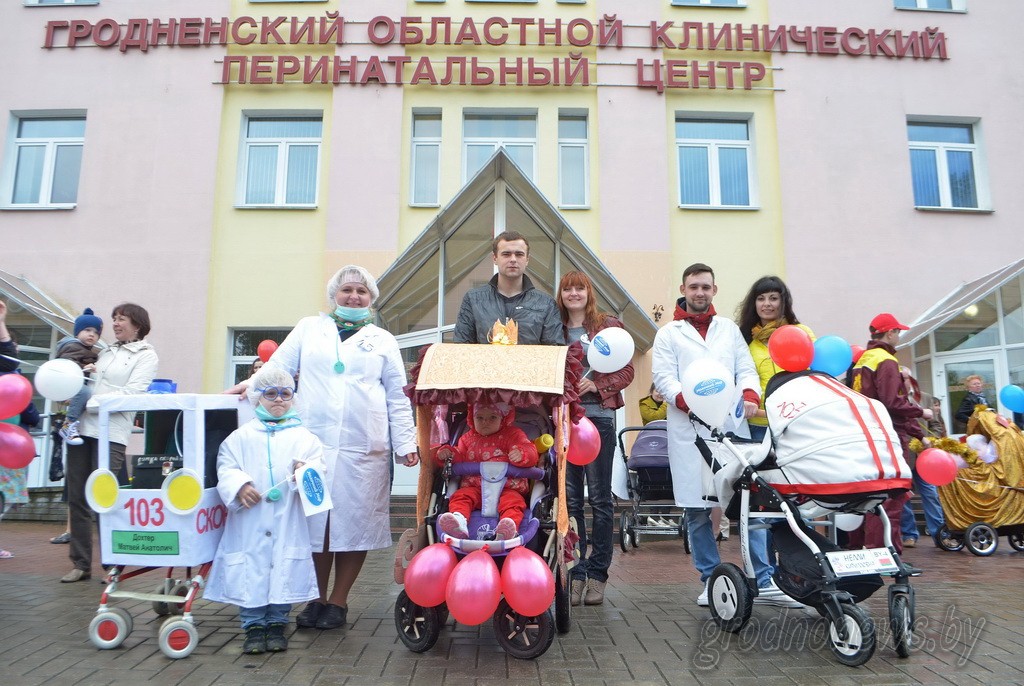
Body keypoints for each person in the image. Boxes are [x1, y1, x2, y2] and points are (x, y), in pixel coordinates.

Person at [226, 265, 418, 631]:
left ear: (371, 298)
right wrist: (249, 387)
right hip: (311, 444)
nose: (354, 296)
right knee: (315, 523)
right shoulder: (309, 328)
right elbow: (277, 370)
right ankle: (315, 597)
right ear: (334, 294)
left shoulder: (382, 340)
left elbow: (397, 395)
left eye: (361, 291)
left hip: (363, 448)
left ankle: (339, 601)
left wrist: (406, 442)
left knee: (354, 524)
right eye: (347, 290)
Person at [651, 263, 800, 609]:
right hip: (690, 430)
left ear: (714, 290)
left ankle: (763, 579)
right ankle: (711, 580)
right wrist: (688, 401)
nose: (699, 293)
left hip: (730, 430)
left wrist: (749, 393)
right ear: (683, 290)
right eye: (693, 287)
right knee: (698, 510)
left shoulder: (729, 329)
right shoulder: (668, 334)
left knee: (751, 505)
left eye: (705, 287)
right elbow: (664, 378)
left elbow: (745, 368)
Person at [205, 368, 322, 655]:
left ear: (293, 398)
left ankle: (278, 622)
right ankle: (254, 626)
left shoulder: (305, 438)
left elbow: (318, 469)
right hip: (250, 518)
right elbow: (226, 466)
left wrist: (304, 471)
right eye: (271, 393)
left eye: (285, 393)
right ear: (257, 398)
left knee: (283, 567)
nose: (279, 399)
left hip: (287, 517)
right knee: (252, 568)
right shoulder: (240, 437)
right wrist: (240, 485)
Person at [63, 303, 158, 582]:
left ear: (137, 325)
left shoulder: (146, 355)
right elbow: (90, 385)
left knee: (105, 498)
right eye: (114, 318)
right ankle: (80, 563)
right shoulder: (105, 352)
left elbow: (133, 394)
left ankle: (113, 566)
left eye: (121, 319)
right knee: (78, 498)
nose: (115, 323)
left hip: (112, 433)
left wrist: (92, 402)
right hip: (82, 429)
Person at [557, 270, 635, 606]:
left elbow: (627, 370)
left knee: (601, 499)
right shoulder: (554, 328)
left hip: (599, 418)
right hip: (564, 421)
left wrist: (597, 384)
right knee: (571, 501)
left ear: (589, 293)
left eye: (580, 288)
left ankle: (598, 574)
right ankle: (576, 572)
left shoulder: (608, 327)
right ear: (561, 295)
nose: (574, 294)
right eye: (568, 289)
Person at [847, 313, 931, 556]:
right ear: (890, 332)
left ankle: (859, 550)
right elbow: (893, 403)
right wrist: (921, 412)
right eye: (898, 332)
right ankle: (886, 554)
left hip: (866, 434)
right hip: (888, 437)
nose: (899, 336)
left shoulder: (863, 359)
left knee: (865, 496)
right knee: (891, 497)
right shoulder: (886, 360)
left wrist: (919, 434)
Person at [436, 402, 539, 541]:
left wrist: (522, 454)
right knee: (460, 497)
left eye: (492, 417)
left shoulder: (513, 435)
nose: (485, 422)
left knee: (514, 503)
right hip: (475, 487)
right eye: (480, 418)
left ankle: (508, 527)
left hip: (507, 487)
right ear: (472, 418)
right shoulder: (467, 439)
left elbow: (530, 450)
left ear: (503, 418)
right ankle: (459, 521)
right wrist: (448, 454)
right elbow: (459, 455)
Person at [735, 276, 816, 442]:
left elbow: (816, 371)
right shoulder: (746, 340)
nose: (766, 304)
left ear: (783, 302)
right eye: (761, 299)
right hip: (758, 423)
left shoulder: (800, 332)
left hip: (795, 421)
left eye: (773, 298)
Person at [453, 230, 563, 345]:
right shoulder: (473, 299)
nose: (513, 259)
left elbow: (554, 350)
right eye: (506, 254)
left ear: (527, 259)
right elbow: (461, 346)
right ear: (495, 258)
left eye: (519, 254)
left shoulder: (546, 303)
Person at [898, 372, 949, 549]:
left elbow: (935, 424)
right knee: (904, 496)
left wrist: (932, 440)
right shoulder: (895, 399)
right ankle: (909, 534)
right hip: (903, 456)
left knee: (930, 494)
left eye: (905, 378)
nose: (902, 381)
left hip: (925, 457)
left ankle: (939, 534)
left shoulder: (925, 398)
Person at [54, 308, 103, 446]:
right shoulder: (73, 346)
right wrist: (84, 367)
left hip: (74, 384)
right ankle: (68, 424)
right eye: (87, 330)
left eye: (96, 333)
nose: (92, 334)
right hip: (67, 382)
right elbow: (68, 365)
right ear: (78, 332)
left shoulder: (86, 349)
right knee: (85, 391)